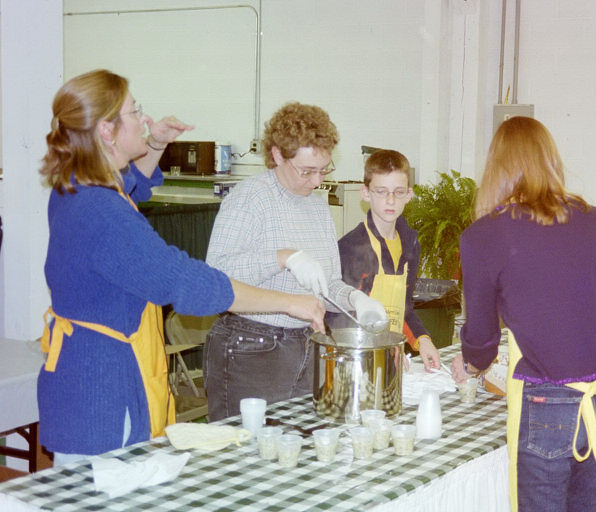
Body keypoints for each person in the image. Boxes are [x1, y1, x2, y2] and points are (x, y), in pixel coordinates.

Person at [37, 70, 325, 465]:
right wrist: (289, 303)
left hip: (84, 378)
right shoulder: (99, 210)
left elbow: (131, 188)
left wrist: (153, 144)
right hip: (101, 393)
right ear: (107, 130)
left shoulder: (78, 185)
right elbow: (187, 282)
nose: (144, 118)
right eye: (135, 111)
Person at [451, 116, 596, 511]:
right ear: (550, 159)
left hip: (546, 406)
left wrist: (471, 365)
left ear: (495, 167)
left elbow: (482, 337)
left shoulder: (483, 235)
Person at [204, 102, 386, 419]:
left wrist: (356, 299)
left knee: (295, 452)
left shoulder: (317, 208)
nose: (317, 181)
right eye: (307, 171)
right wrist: (283, 257)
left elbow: (325, 284)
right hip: (251, 347)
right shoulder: (249, 198)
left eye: (323, 169)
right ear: (277, 155)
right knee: (248, 454)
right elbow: (215, 276)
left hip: (304, 345)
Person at [334, 149, 440, 370]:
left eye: (398, 192)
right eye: (381, 192)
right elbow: (341, 318)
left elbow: (404, 307)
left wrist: (423, 340)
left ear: (409, 195)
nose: (390, 200)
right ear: (365, 193)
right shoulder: (352, 247)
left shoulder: (410, 244)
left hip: (391, 356)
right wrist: (380, 350)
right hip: (356, 359)